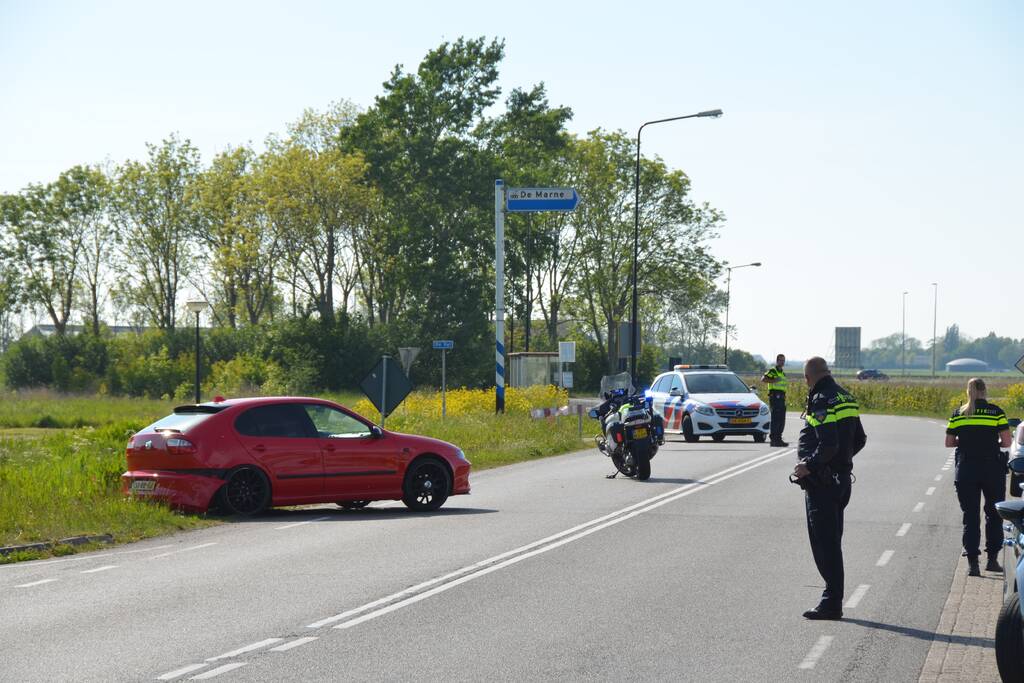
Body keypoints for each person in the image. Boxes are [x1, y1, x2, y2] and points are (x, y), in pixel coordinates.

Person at [792, 356, 867, 620]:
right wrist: (842, 464)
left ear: (807, 377)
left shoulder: (821, 399)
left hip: (823, 483)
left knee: (826, 544)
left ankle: (831, 602)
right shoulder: (845, 396)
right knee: (832, 540)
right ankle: (832, 598)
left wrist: (810, 466)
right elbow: (859, 439)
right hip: (841, 480)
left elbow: (829, 443)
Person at [944, 378, 1012, 576]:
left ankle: (973, 563)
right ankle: (992, 559)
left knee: (970, 516)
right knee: (994, 514)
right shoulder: (996, 412)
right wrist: (990, 443)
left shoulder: (959, 413)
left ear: (968, 391)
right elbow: (1007, 442)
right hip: (992, 468)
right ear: (985, 390)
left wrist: (966, 442)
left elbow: (949, 442)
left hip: (966, 468)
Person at [762, 354, 789, 447]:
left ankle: (778, 438)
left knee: (781, 419)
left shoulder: (782, 373)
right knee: (776, 419)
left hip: (781, 397)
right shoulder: (774, 370)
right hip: (775, 397)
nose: (782, 362)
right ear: (777, 361)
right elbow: (764, 379)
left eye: (783, 360)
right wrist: (774, 380)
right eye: (781, 360)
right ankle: (774, 440)